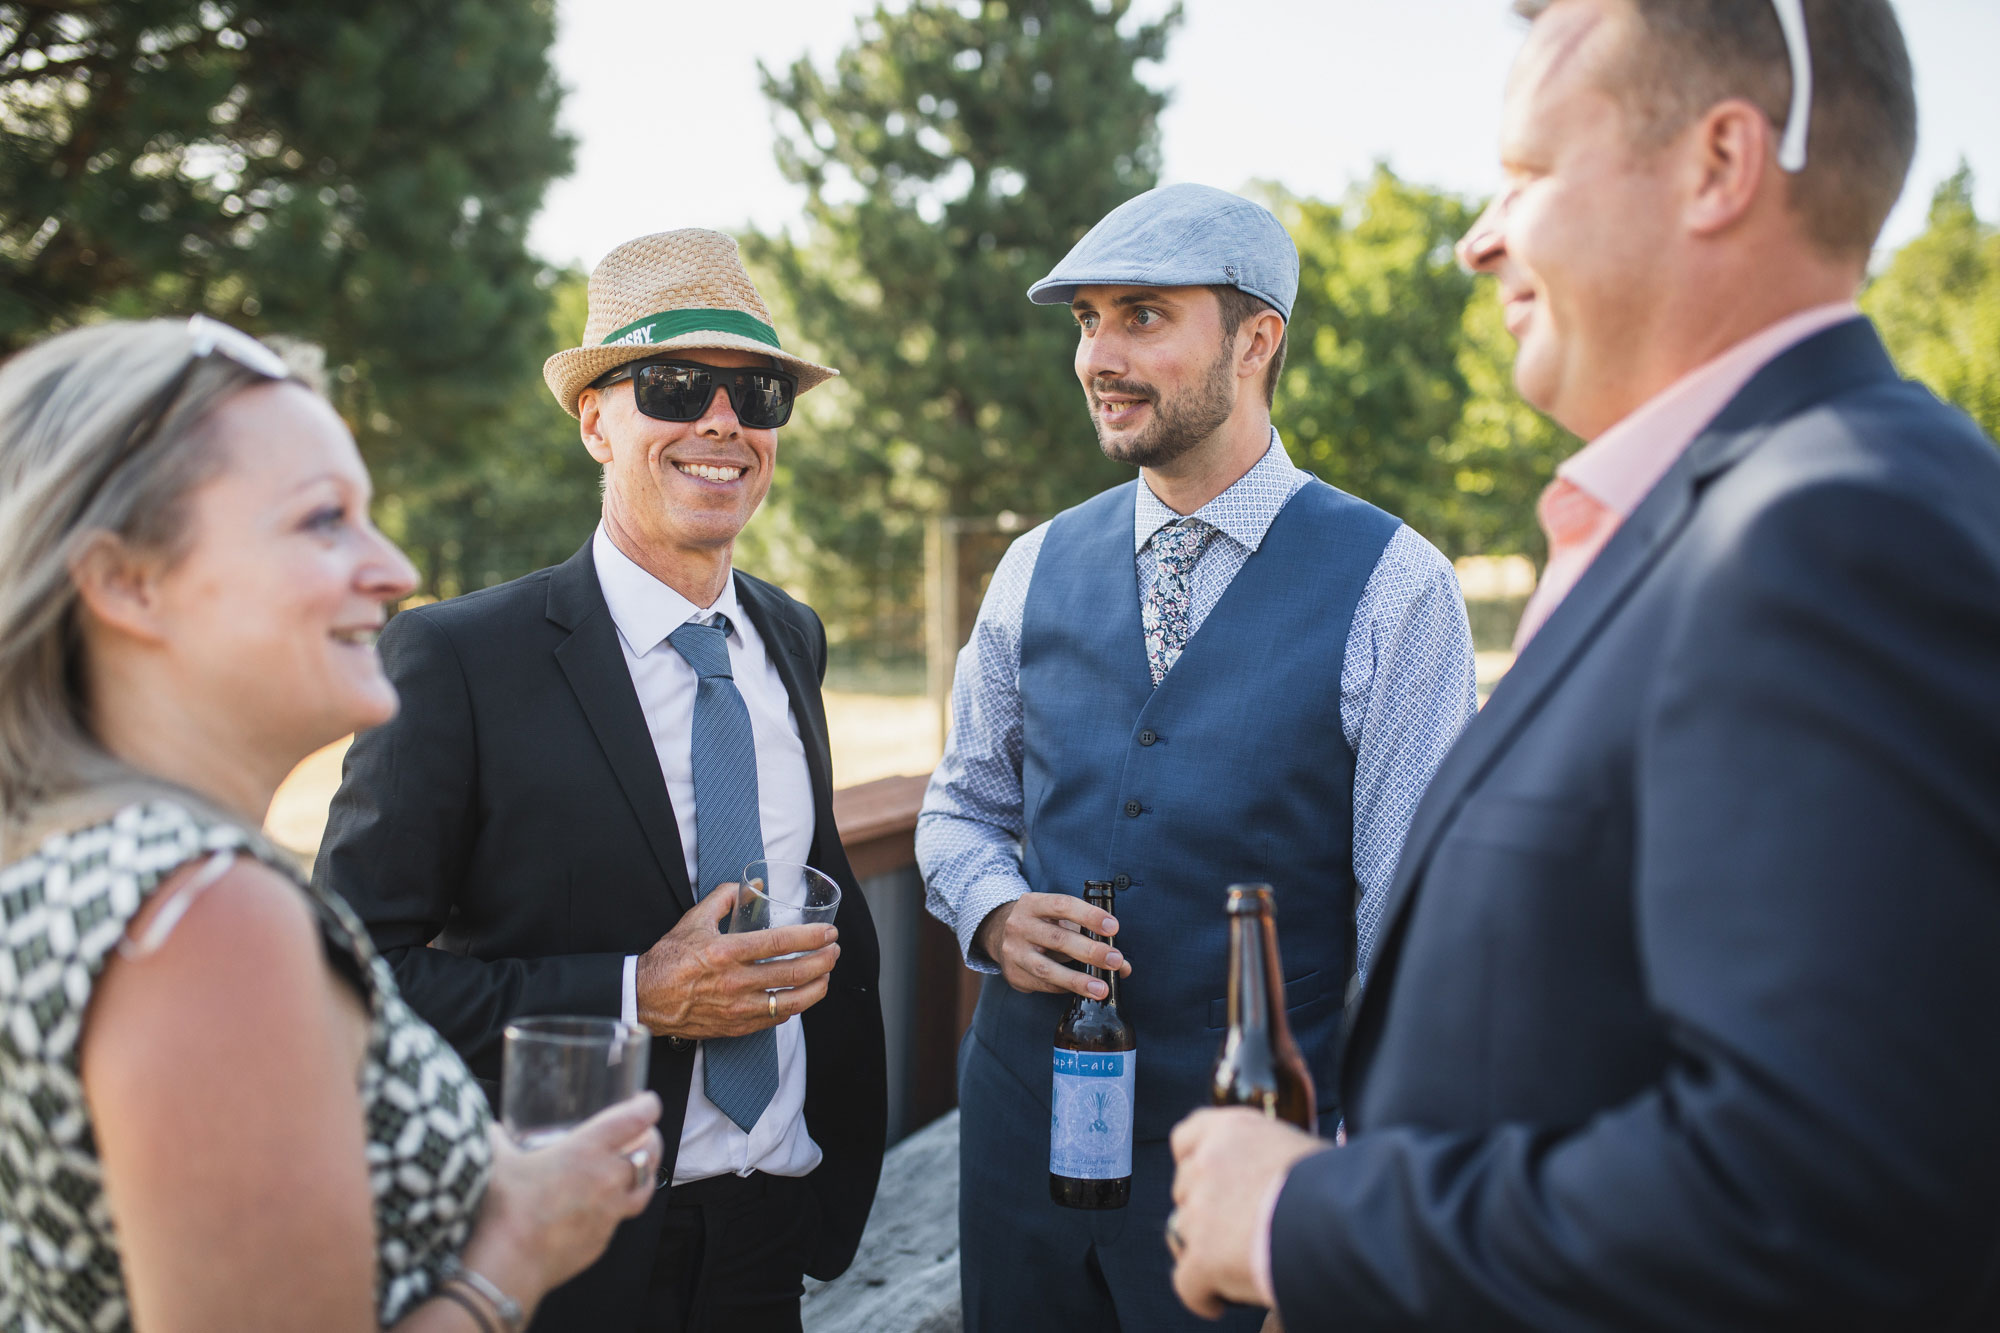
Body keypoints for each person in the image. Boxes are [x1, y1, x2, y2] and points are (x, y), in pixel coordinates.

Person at [1168, 0, 2000, 1327]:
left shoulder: (1831, 527)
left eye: (1528, 174)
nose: (1476, 236)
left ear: (1720, 165)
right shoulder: (1710, 521)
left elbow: (1826, 1197)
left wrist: (1301, 1219)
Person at [0, 316, 662, 1333]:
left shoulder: (78, 858)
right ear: (126, 580)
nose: (393, 568)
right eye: (322, 521)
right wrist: (520, 1251)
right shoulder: (203, 920)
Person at [918, 183, 1478, 1331]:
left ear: (1255, 339)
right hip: (1024, 1137)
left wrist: (1342, 1198)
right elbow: (958, 807)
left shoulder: (1395, 584)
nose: (1097, 356)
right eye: (1085, 322)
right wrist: (990, 911)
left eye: (1140, 316)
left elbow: (1414, 929)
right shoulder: (1030, 567)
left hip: (1255, 1163)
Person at [316, 229, 887, 1333]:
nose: (722, 420)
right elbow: (346, 979)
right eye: (676, 386)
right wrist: (634, 994)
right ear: (594, 421)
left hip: (771, 1234)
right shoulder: (456, 661)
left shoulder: (789, 636)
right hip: (565, 1253)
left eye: (756, 392)